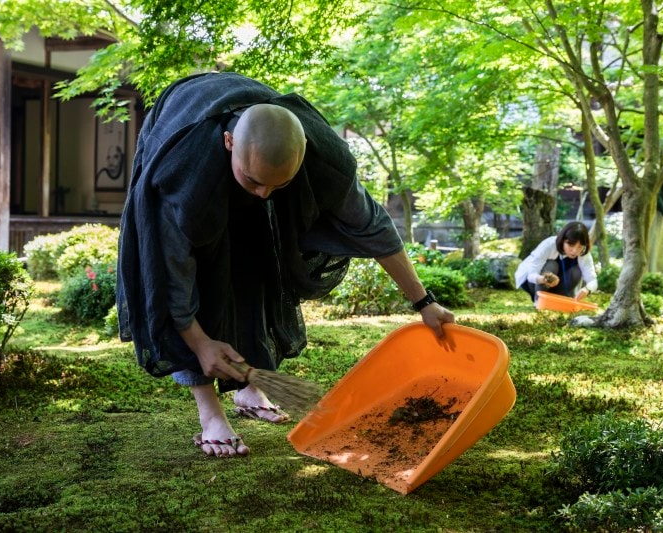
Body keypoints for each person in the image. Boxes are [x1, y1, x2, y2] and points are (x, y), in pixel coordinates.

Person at [116, 72, 455, 458]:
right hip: (181, 129)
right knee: (204, 279)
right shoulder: (182, 179)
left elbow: (373, 228)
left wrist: (424, 302)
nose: (264, 195)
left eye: (278, 186)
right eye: (255, 181)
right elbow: (171, 276)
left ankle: (248, 388)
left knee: (262, 261)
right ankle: (210, 413)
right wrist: (200, 343)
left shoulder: (324, 159)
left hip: (244, 150)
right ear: (229, 143)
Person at [514, 221, 597, 302]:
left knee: (576, 271)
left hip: (559, 285)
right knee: (552, 265)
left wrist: (587, 289)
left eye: (580, 247)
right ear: (562, 240)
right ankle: (539, 301)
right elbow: (531, 275)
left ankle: (559, 301)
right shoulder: (549, 245)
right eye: (570, 245)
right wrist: (544, 279)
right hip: (534, 283)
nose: (574, 251)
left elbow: (593, 280)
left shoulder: (584, 254)